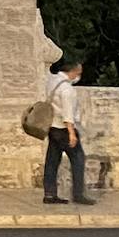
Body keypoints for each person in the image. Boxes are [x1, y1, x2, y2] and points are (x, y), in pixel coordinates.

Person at [42, 55, 96, 206]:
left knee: (52, 161)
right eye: (79, 72)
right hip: (64, 129)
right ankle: (78, 194)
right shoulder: (67, 90)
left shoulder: (52, 81)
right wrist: (72, 133)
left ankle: (49, 193)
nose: (79, 76)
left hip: (52, 126)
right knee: (78, 159)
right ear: (74, 71)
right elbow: (68, 113)